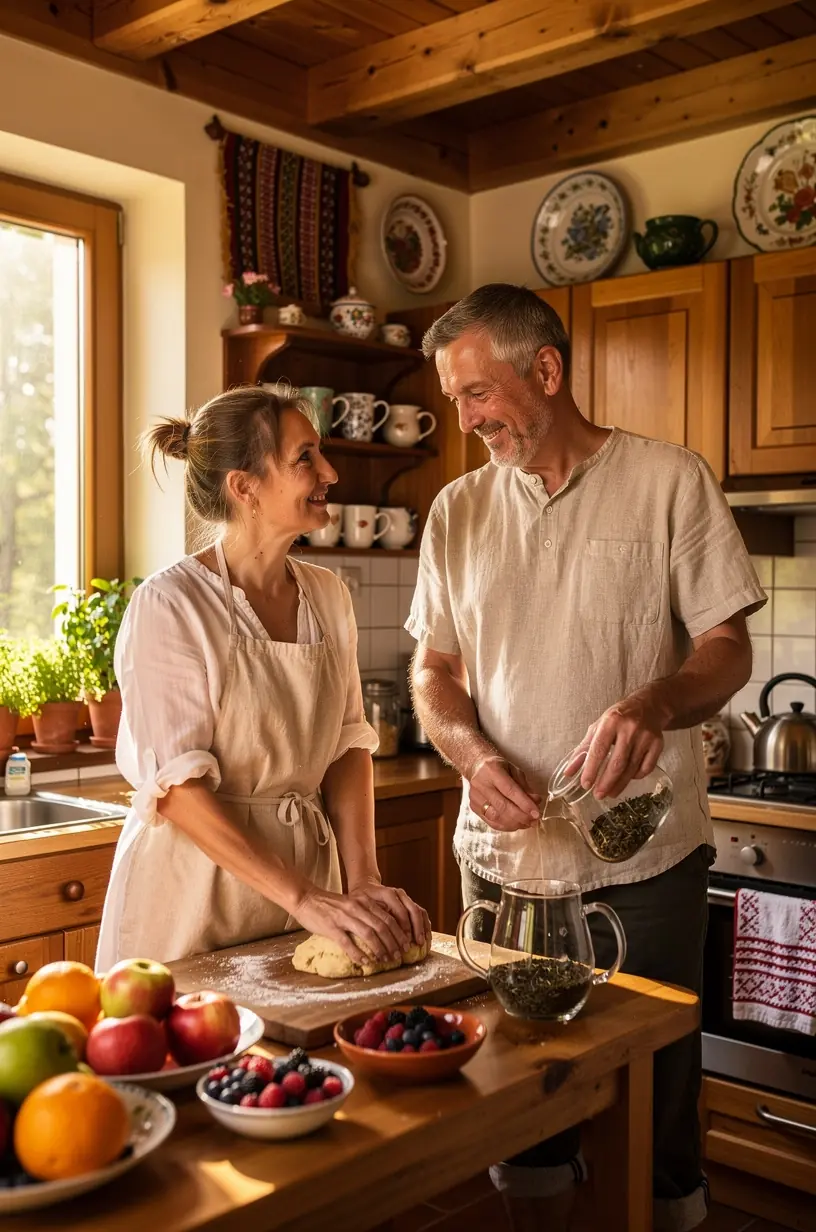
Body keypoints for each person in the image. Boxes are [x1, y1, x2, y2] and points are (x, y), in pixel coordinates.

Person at [407, 285, 766, 1232]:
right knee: (519, 1108)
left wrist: (655, 701)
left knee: (655, 1107)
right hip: (504, 868)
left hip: (641, 860)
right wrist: (468, 750)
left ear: (548, 371)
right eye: (455, 401)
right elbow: (432, 673)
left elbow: (728, 645)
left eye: (477, 394)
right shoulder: (455, 510)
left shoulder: (669, 481)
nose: (468, 419)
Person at [97, 385, 430, 971]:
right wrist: (305, 897)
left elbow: (349, 746)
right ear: (244, 486)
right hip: (195, 897)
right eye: (305, 458)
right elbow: (177, 791)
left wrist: (362, 883)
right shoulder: (171, 605)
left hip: (311, 891)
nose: (328, 471)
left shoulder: (328, 595)